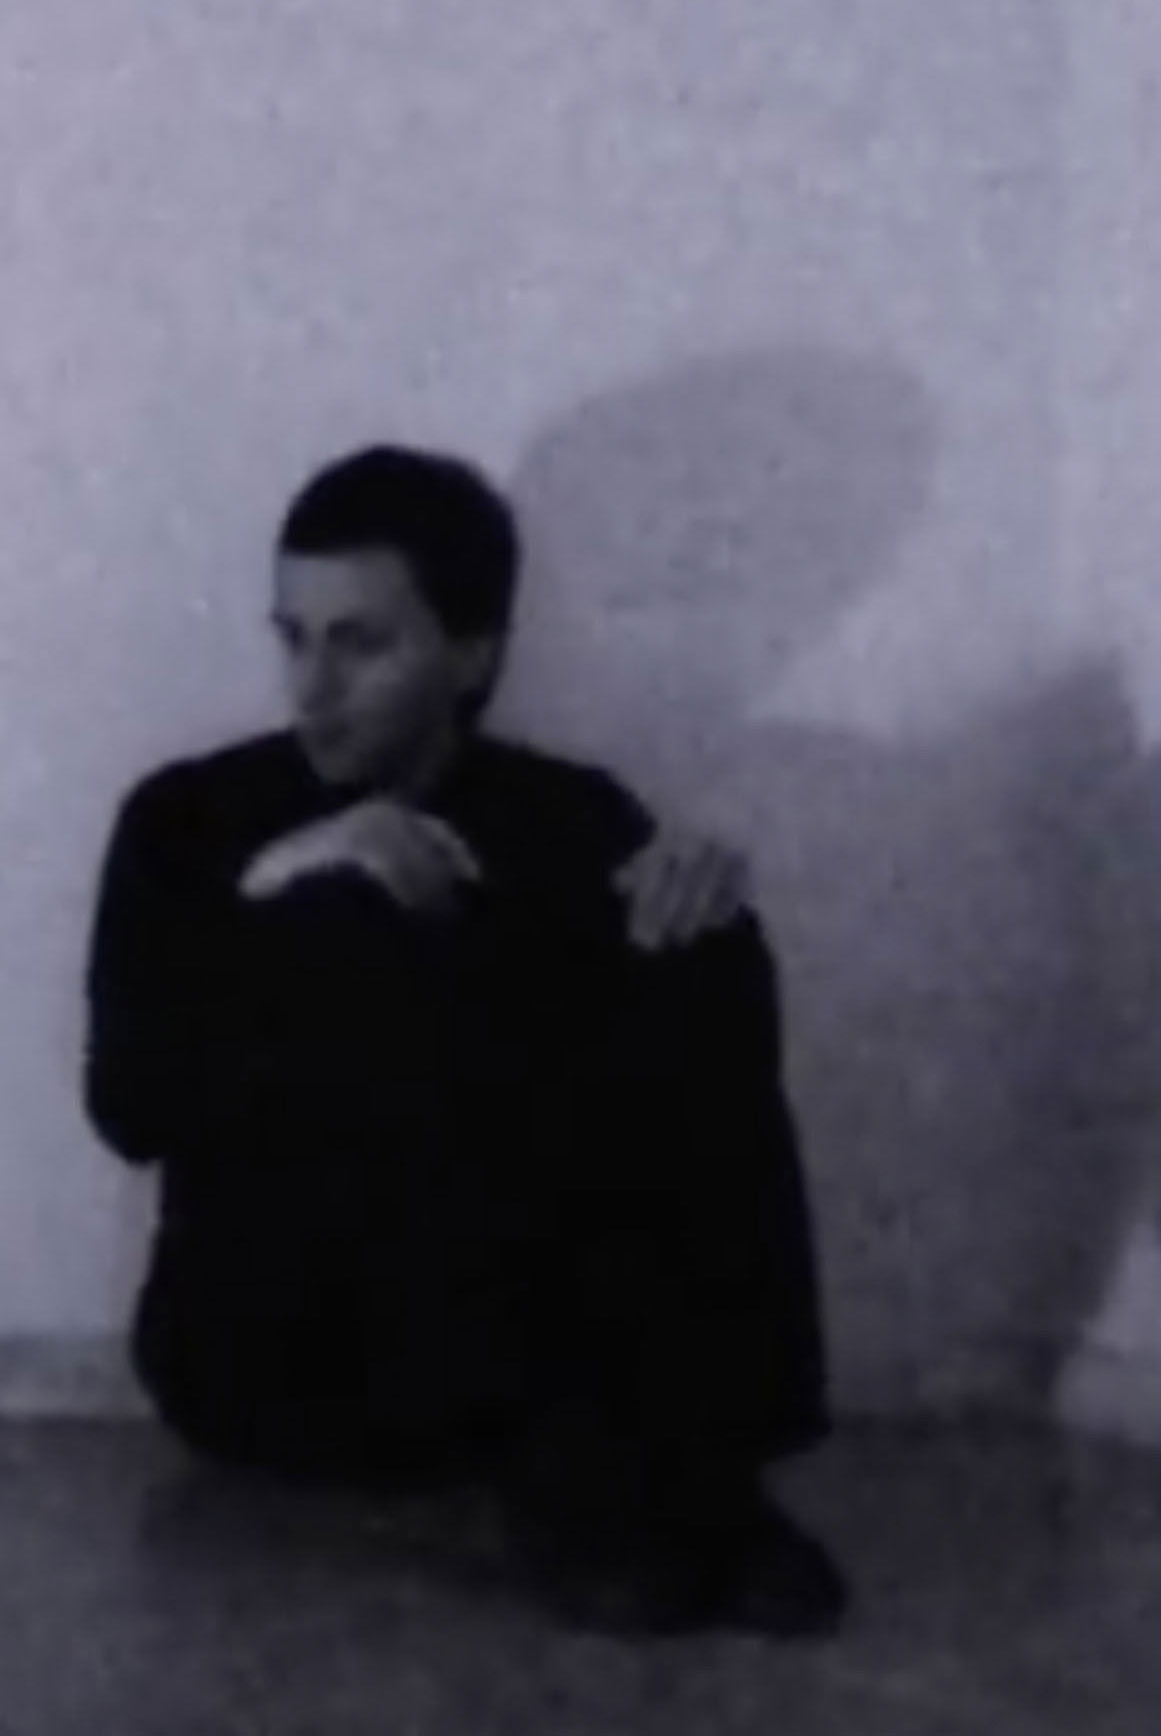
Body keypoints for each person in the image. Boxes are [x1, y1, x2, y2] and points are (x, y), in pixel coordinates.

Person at [83, 444, 845, 1637]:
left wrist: (686, 897)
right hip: (261, 1348)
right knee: (350, 916)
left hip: (503, 1347)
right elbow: (131, 1103)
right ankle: (602, 1497)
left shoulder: (571, 816)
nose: (311, 687)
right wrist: (287, 878)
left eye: (360, 643)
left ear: (474, 653)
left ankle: (708, 1469)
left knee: (699, 936)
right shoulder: (186, 818)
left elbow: (639, 1113)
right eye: (294, 637)